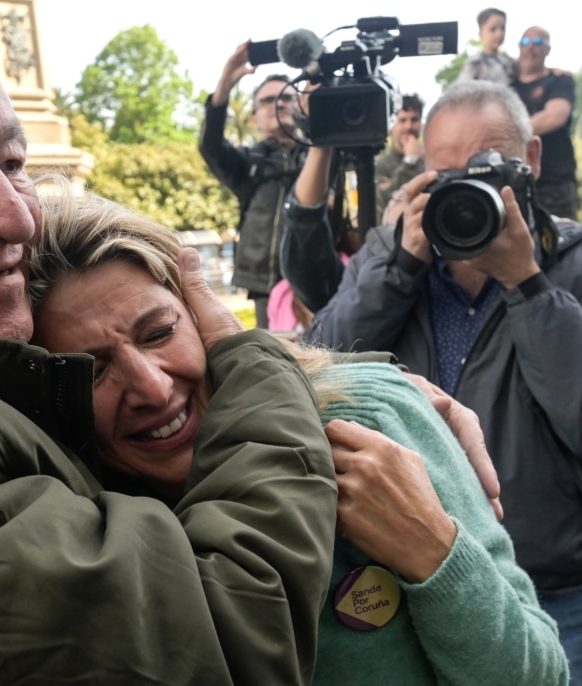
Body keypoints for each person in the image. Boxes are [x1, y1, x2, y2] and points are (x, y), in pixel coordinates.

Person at [0, 5, 342, 684]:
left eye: (13, 160)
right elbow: (224, 635)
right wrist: (264, 376)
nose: (14, 214)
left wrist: (356, 391)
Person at [27, 178, 568, 685]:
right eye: (91, 369)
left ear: (202, 314)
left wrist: (435, 553)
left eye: (160, 332)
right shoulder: (77, 531)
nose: (150, 385)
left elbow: (540, 674)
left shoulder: (372, 418)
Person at [285, 79, 582, 684]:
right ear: (422, 173)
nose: (468, 191)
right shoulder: (391, 255)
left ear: (531, 160)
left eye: (487, 167)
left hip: (562, 587)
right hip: (416, 579)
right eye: (449, 175)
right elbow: (319, 369)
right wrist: (400, 267)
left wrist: (526, 283)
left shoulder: (572, 261)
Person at [199, 40, 307, 328]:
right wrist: (225, 84)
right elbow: (211, 146)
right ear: (255, 118)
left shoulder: (321, 156)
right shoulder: (247, 162)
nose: (278, 104)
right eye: (267, 101)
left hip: (315, 282)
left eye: (286, 98)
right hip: (266, 284)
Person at [513, 26, 578, 219]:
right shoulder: (507, 84)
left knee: (562, 242)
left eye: (539, 42)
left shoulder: (559, 81)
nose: (531, 47)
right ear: (519, 47)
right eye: (526, 42)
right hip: (515, 181)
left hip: (554, 182)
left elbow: (555, 117)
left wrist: (509, 132)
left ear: (548, 49)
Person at [374, 94, 426, 224]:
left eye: (414, 120)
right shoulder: (381, 165)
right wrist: (410, 161)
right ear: (392, 125)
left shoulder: (430, 160)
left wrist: (393, 181)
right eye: (402, 120)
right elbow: (385, 200)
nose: (408, 127)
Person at [456, 8, 517, 86]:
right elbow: (462, 89)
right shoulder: (475, 63)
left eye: (502, 28)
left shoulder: (510, 63)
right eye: (493, 29)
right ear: (481, 34)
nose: (499, 33)